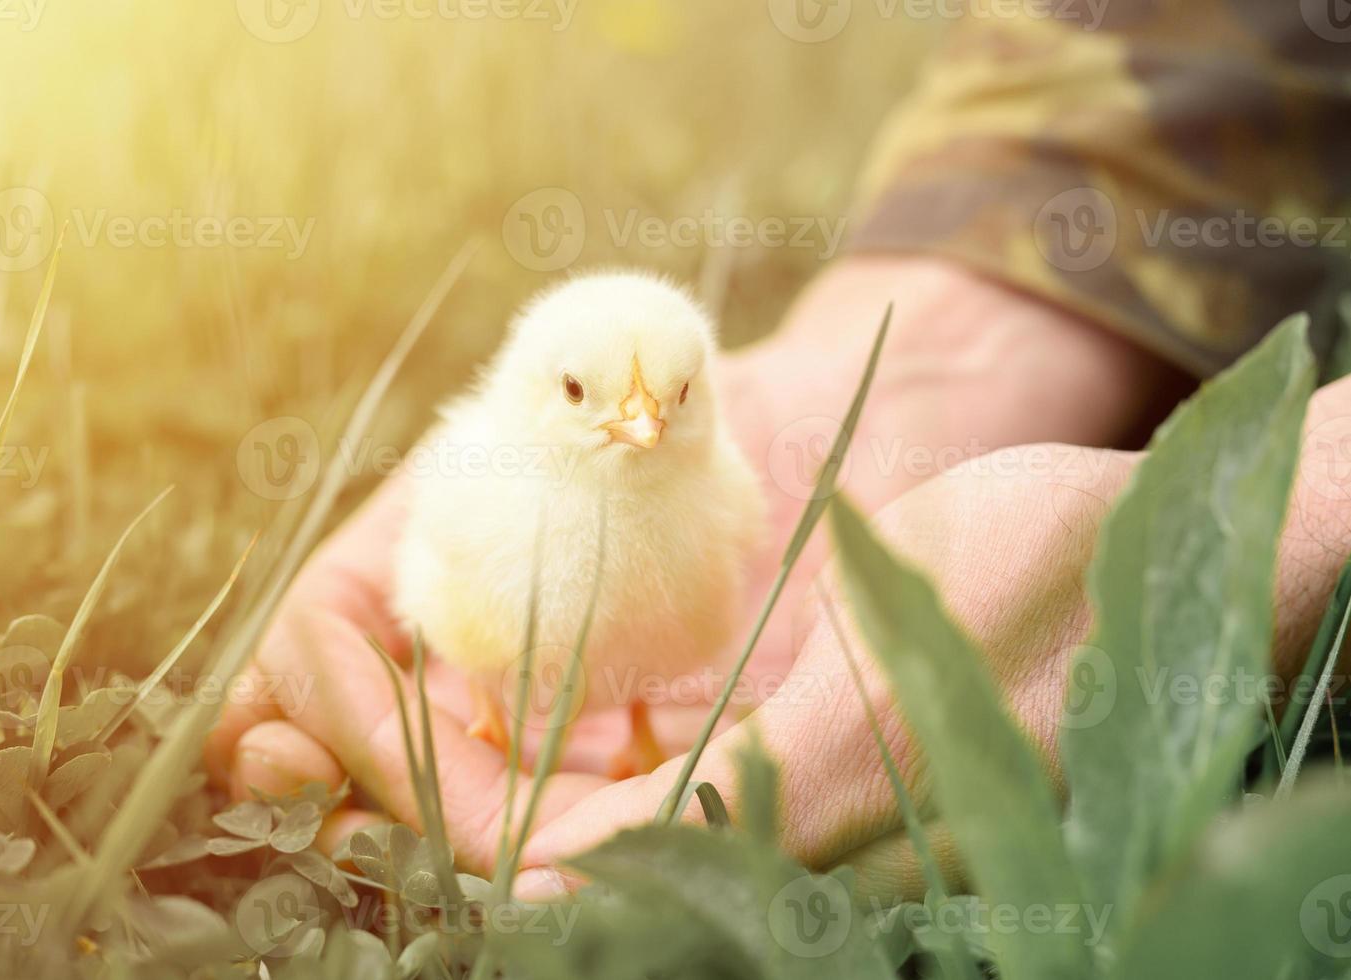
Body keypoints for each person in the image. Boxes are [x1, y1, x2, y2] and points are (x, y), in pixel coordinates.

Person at [204, 1, 1351, 899]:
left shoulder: (693, 495)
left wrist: (1292, 512)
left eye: (667, 399)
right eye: (590, 395)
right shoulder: (507, 489)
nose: (647, 422)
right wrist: (980, 292)